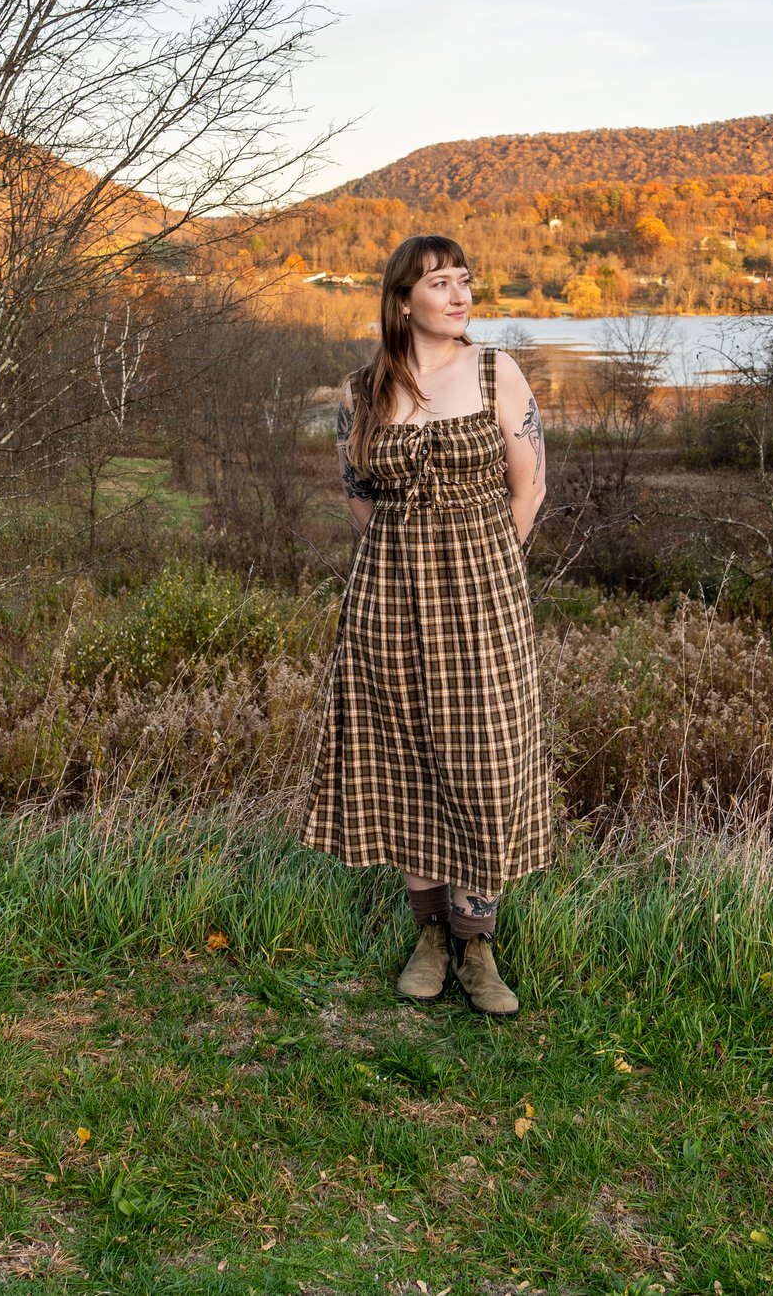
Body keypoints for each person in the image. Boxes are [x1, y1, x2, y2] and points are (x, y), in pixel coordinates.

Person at [304, 233, 549, 1016]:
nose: (458, 293)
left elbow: (530, 489)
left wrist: (483, 572)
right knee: (404, 759)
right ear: (402, 298)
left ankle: (477, 941)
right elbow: (360, 501)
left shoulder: (495, 371)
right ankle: (429, 936)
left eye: (464, 279)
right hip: (389, 600)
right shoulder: (361, 391)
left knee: (486, 762)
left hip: (484, 600)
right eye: (439, 281)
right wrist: (409, 566)